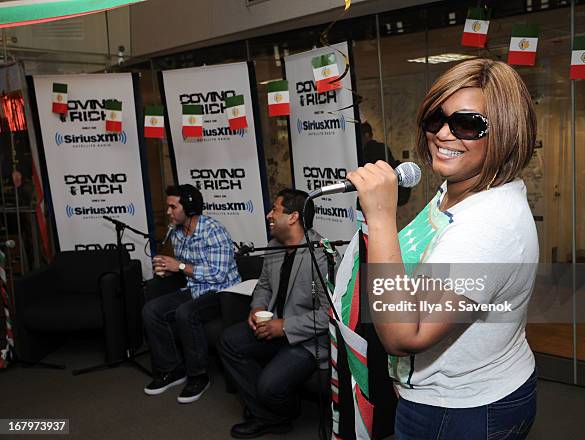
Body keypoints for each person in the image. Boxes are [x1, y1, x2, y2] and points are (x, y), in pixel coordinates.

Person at [346, 59, 539, 439]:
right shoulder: (459, 188)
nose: (444, 135)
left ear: (505, 131)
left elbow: (404, 336)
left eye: (468, 124)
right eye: (437, 118)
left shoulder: (487, 226)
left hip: (462, 409)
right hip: (443, 394)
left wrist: (382, 218)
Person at [220, 188, 331, 439]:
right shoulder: (274, 246)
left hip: (306, 341)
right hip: (272, 328)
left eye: (275, 210)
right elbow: (264, 286)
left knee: (269, 387)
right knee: (229, 341)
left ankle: (279, 410)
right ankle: (271, 416)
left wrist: (285, 326)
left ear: (293, 217)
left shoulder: (320, 254)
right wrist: (257, 307)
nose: (269, 215)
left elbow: (328, 314)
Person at [142, 184, 241, 403]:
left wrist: (177, 266)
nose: (168, 212)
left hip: (221, 291)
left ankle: (199, 376)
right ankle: (173, 369)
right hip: (194, 287)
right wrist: (169, 270)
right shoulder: (176, 232)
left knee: (186, 313)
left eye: (172, 207)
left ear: (189, 206)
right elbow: (185, 267)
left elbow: (218, 274)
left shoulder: (213, 230)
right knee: (151, 310)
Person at [360, 121, 411, 206]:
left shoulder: (371, 149)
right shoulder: (381, 147)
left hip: (377, 195)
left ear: (366, 135)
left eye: (360, 136)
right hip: (386, 193)